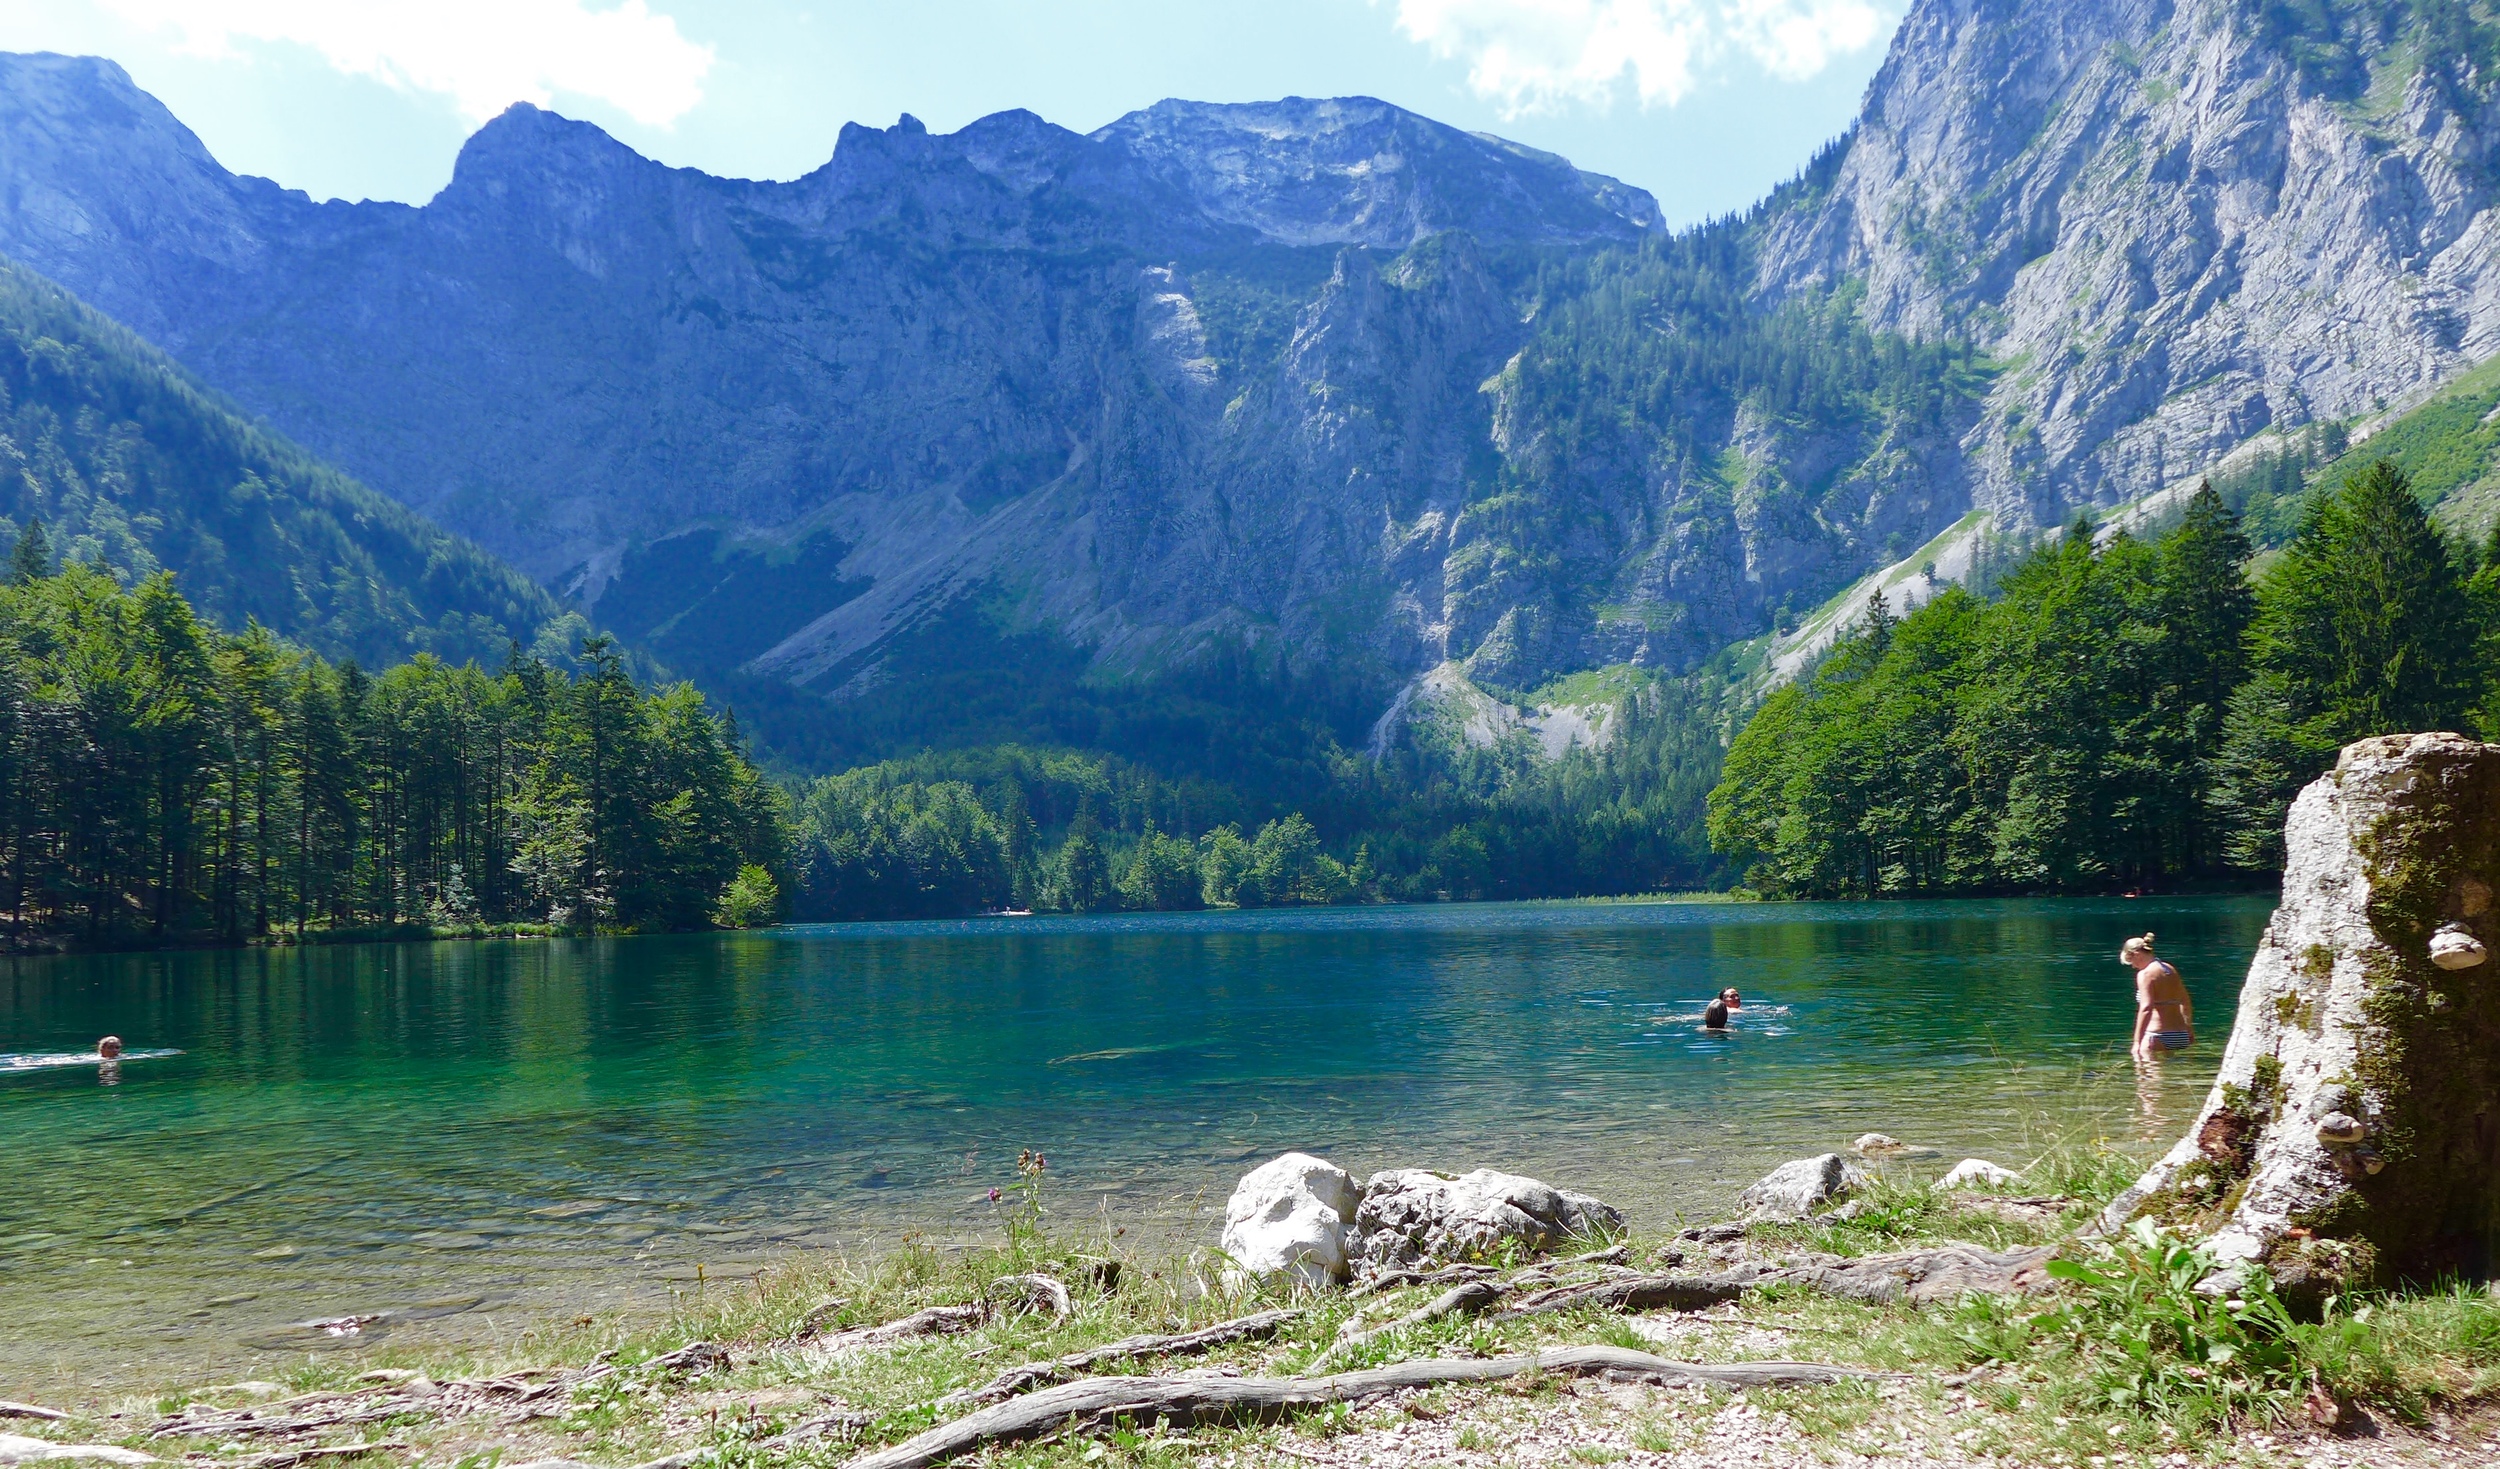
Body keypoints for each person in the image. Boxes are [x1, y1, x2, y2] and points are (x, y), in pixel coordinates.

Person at [2123, 934, 2193, 1061]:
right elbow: (2185, 1002)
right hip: (2181, 1035)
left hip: (2156, 1036)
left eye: (2131, 961)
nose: (2133, 966)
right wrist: (2188, 1028)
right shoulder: (2170, 969)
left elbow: (2146, 1008)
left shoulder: (2145, 974)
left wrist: (2137, 1042)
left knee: (2144, 1071)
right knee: (2174, 1070)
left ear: (2137, 954)